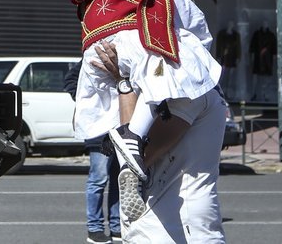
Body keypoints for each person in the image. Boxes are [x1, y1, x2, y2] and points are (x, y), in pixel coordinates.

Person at [71, 0, 223, 225]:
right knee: (168, 74)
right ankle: (134, 142)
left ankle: (128, 139)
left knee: (131, 85)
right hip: (152, 56)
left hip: (101, 55)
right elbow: (199, 30)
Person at [94, 40, 227, 243]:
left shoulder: (189, 88)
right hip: (171, 221)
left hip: (175, 225)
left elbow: (136, 156)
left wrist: (124, 84)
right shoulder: (187, 83)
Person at [64, 60, 121, 243]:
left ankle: (116, 225)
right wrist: (85, 100)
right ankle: (94, 228)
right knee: (99, 179)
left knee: (119, 180)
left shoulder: (124, 48)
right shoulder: (94, 52)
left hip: (121, 126)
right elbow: (71, 80)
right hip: (98, 129)